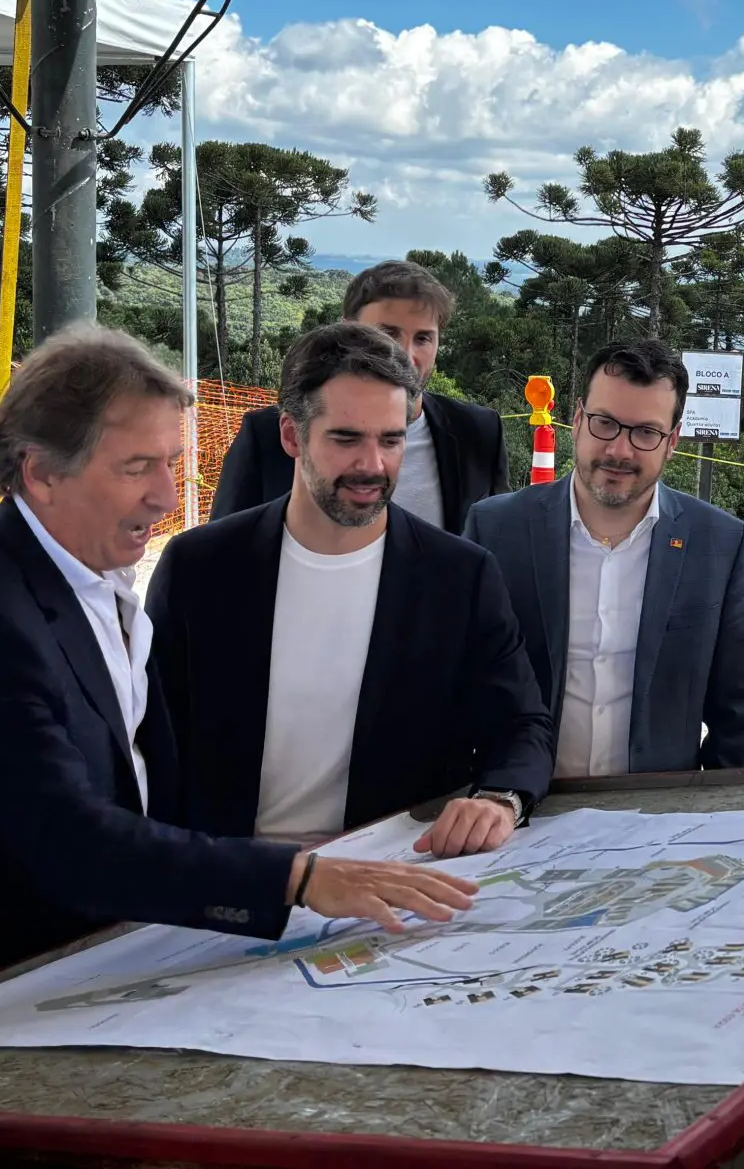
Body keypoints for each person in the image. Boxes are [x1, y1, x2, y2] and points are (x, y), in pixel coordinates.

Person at [0, 327, 479, 1030]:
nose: (168, 497)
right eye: (137, 467)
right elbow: (71, 842)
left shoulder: (74, 572)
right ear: (41, 470)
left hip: (68, 992)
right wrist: (297, 879)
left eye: (173, 463)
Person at [150, 323, 553, 853]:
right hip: (230, 883)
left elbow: (521, 723)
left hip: (390, 879)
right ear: (292, 435)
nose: (372, 465)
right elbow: (149, 740)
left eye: (391, 440)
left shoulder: (461, 576)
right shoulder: (199, 568)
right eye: (346, 438)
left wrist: (501, 800)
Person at [463, 339, 744, 776]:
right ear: (579, 419)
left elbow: (737, 710)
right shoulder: (496, 529)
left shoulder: (719, 542)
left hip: (655, 820)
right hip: (516, 813)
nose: (620, 451)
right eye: (605, 423)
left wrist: (706, 815)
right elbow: (459, 682)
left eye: (645, 432)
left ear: (672, 441)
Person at [211, 259, 508, 528]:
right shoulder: (269, 435)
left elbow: (498, 541)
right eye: (387, 334)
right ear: (347, 330)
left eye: (423, 338)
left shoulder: (478, 432)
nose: (406, 354)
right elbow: (226, 547)